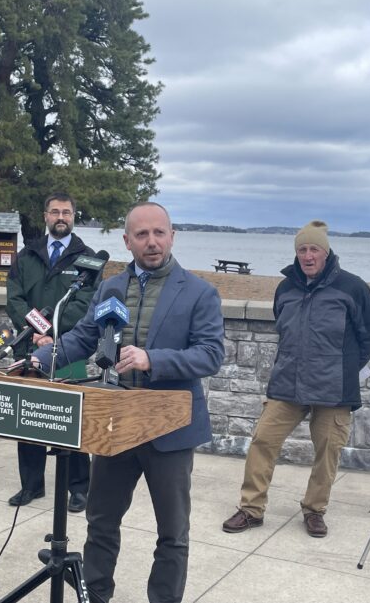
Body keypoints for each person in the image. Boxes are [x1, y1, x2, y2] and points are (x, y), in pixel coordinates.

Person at [32, 202, 225, 603]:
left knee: (172, 532)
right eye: (142, 234)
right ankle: (96, 595)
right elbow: (85, 335)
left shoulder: (199, 293)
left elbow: (210, 355)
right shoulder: (111, 288)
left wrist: (153, 359)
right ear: (127, 241)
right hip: (116, 426)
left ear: (172, 236)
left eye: (159, 233)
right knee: (101, 522)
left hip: (170, 431)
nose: (151, 242)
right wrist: (39, 358)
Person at [222, 220, 370, 538]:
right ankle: (251, 509)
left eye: (314, 249)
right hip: (287, 384)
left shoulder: (353, 287)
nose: (308, 255)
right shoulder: (286, 288)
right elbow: (283, 325)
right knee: (263, 441)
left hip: (334, 389)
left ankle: (314, 510)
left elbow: (369, 336)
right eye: (302, 249)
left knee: (327, 452)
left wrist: (344, 369)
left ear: (326, 252)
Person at [5, 192, 99, 512]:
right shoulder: (26, 255)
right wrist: (38, 331)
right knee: (28, 416)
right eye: (55, 212)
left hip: (70, 348)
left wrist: (53, 334)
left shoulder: (87, 258)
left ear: (74, 217)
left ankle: (78, 488)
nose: (61, 217)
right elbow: (14, 299)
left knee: (69, 418)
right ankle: (31, 485)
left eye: (67, 212)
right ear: (45, 216)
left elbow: (86, 305)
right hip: (30, 345)